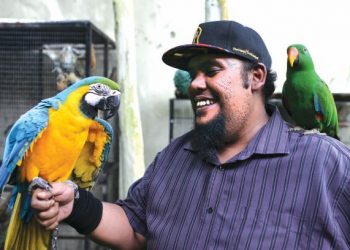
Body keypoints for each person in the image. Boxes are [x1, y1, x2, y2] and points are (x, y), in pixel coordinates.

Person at [31, 20, 350, 249]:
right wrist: (74, 205)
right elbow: (135, 227)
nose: (195, 84)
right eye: (192, 73)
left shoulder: (326, 164)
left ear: (255, 78)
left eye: (211, 70)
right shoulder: (174, 157)